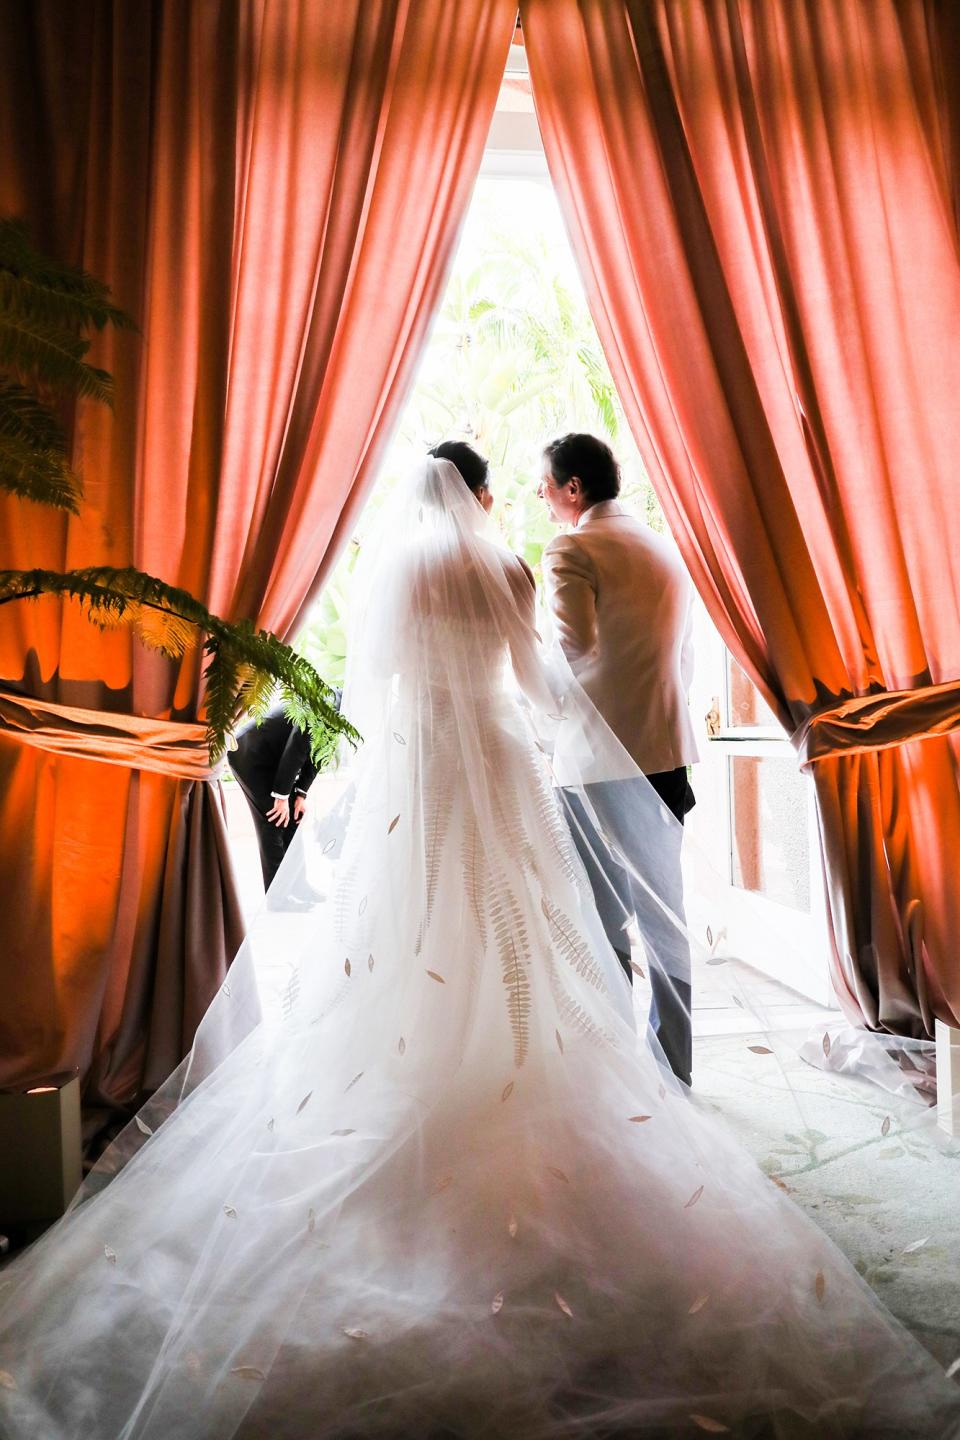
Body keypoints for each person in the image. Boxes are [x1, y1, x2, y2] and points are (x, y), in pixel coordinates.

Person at [0, 452, 958, 1440]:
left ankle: (400, 1070)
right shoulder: (505, 569)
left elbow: (365, 696)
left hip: (412, 778)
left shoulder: (394, 572)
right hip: (494, 770)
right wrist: (566, 736)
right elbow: (541, 687)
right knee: (521, 934)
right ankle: (518, 1063)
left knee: (402, 930)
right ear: (482, 494)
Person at [539, 433, 699, 1086]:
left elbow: (572, 651)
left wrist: (531, 702)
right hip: (666, 753)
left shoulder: (572, 546)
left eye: (544, 484)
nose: (540, 497)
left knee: (603, 916)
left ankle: (614, 1077)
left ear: (573, 488)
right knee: (666, 913)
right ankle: (674, 1071)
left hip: (598, 762)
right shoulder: (664, 546)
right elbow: (682, 660)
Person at [227, 705, 321, 888]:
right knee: (275, 819)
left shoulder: (344, 713)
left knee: (294, 818)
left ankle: (299, 887)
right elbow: (298, 743)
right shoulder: (330, 704)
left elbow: (320, 754)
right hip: (250, 753)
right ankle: (278, 895)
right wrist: (281, 796)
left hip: (275, 757)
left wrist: (301, 793)